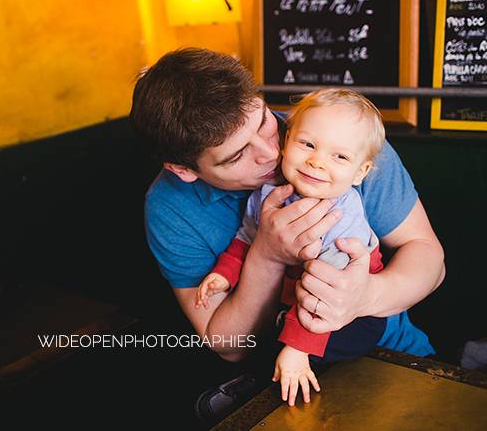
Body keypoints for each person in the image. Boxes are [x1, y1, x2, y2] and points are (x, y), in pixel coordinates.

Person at [129, 47, 445, 422]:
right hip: (280, 382)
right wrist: (267, 255)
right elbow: (229, 345)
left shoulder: (340, 138)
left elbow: (429, 257)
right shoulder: (168, 206)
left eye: (264, 121)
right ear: (183, 169)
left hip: (394, 355)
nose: (270, 152)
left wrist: (364, 297)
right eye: (235, 156)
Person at [196, 88, 389, 407]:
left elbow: (327, 289)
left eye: (339, 156)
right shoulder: (267, 194)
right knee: (267, 330)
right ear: (285, 144)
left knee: (321, 340)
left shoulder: (342, 215)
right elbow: (247, 238)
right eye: (308, 144)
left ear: (360, 173)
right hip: (294, 301)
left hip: (349, 310)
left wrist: (299, 348)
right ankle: (274, 374)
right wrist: (225, 274)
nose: (316, 161)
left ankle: (290, 372)